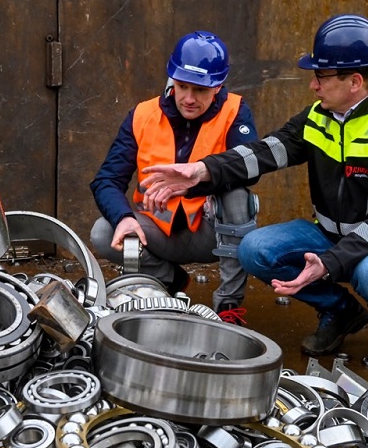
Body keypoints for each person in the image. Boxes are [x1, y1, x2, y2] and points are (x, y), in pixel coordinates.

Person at [140, 15, 368, 368]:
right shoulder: (317, 117)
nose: (313, 86)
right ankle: (341, 312)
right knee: (255, 249)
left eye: (321, 76)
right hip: (330, 234)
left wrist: (328, 263)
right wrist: (200, 171)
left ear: (354, 81)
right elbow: (263, 152)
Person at [89, 31, 259, 324]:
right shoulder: (142, 115)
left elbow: (248, 168)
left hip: (211, 230)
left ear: (217, 87)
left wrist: (197, 185)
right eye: (182, 87)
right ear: (172, 79)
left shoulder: (235, 111)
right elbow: (106, 180)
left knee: (238, 196)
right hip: (157, 228)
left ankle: (228, 306)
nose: (189, 99)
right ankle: (170, 280)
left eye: (200, 91)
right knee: (104, 232)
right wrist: (124, 218)